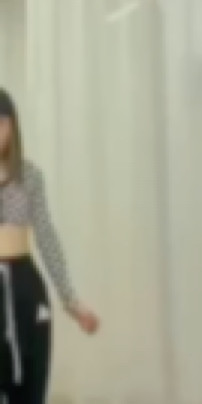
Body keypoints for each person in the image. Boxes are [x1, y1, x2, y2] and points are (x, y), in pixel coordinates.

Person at [0, 87, 99, 404]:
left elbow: (46, 237)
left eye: (1, 122)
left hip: (25, 288)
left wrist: (71, 301)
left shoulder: (29, 176)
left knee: (31, 386)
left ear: (12, 126)